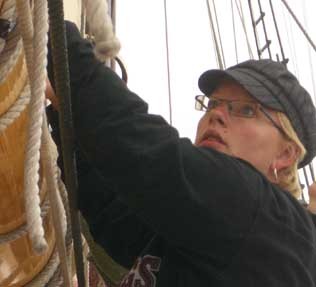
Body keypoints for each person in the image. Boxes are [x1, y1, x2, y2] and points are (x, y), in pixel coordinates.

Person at [46, 21, 316, 287]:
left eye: (247, 110)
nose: (216, 115)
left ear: (285, 154)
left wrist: (52, 29)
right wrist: (65, 114)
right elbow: (114, 215)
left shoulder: (266, 218)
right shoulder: (207, 235)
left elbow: (144, 151)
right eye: (213, 104)